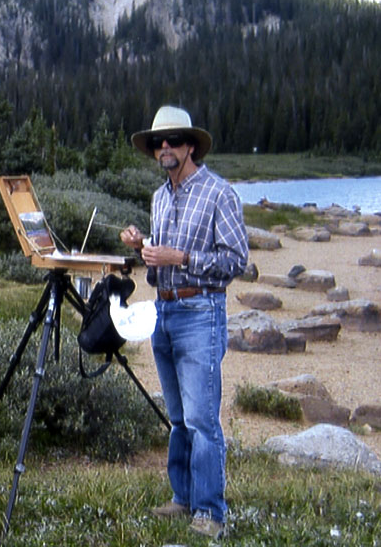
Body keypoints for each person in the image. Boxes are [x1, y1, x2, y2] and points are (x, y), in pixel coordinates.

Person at [120, 105, 248, 540]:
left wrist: (180, 257)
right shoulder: (160, 198)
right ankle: (183, 497)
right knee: (177, 417)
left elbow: (236, 260)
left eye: (173, 141)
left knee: (201, 419)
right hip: (165, 310)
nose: (165, 148)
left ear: (191, 145)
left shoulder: (219, 193)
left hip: (201, 313)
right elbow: (157, 271)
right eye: (159, 142)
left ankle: (210, 512)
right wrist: (145, 249)